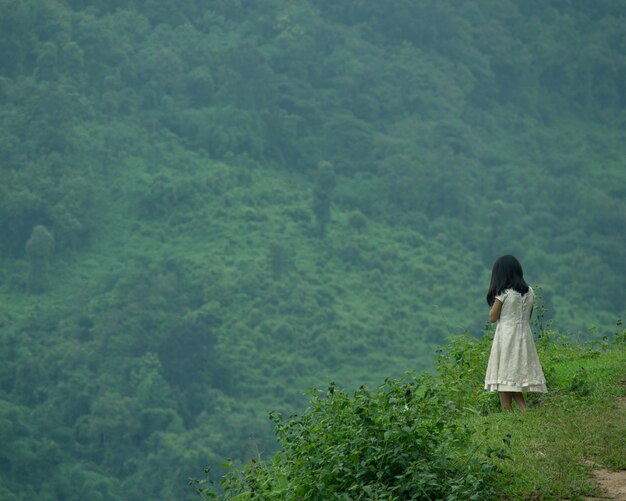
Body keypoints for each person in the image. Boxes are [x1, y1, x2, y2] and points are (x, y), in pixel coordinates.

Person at [484, 255, 547, 411]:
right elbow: (529, 317)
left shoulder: (504, 293)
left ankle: (508, 411)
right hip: (524, 336)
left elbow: (492, 317)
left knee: (504, 375)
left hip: (506, 336)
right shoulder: (530, 292)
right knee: (513, 375)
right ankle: (522, 409)